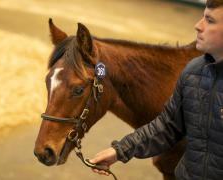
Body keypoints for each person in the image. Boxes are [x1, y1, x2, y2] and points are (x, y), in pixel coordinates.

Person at [90, 0, 223, 179]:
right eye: (202, 17)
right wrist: (119, 150)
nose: (198, 26)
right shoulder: (193, 71)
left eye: (210, 20)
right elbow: (167, 126)